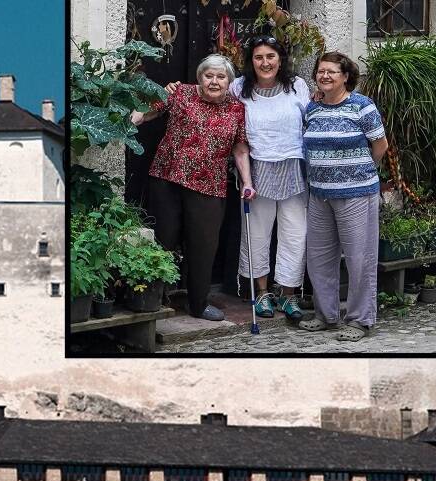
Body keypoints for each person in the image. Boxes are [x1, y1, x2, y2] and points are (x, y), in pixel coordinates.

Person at [132, 55, 253, 321]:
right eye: (209, 75)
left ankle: (198, 303)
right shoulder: (180, 93)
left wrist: (247, 182)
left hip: (209, 184)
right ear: (199, 78)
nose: (214, 81)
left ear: (229, 82)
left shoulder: (236, 109)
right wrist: (131, 118)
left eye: (221, 77)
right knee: (163, 238)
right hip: (167, 178)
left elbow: (240, 148)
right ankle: (154, 299)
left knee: (203, 245)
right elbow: (146, 112)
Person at [300, 51, 388, 341]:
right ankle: (326, 315)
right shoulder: (312, 108)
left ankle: (360, 320)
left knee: (359, 258)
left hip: (357, 194)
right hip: (319, 194)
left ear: (346, 76)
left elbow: (380, 146)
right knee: (319, 257)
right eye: (320, 71)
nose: (324, 76)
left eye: (332, 72)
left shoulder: (362, 106)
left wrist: (359, 173)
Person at [229, 36, 310, 320]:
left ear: (280, 59)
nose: (265, 62)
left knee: (295, 235)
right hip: (257, 169)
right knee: (257, 235)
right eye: (259, 57)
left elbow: (308, 125)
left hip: (293, 169)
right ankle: (262, 293)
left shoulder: (297, 86)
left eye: (270, 56)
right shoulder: (238, 87)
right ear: (251, 61)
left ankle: (288, 295)